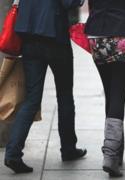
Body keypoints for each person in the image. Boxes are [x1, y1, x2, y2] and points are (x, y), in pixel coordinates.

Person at [4, 0, 87, 174]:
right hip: (55, 38)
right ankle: (68, 148)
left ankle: (13, 153)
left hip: (29, 37)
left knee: (32, 98)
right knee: (64, 95)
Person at [85, 0, 125, 177]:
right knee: (118, 95)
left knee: (111, 95)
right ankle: (110, 155)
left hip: (97, 36)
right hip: (123, 34)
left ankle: (116, 152)